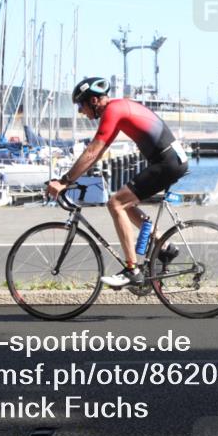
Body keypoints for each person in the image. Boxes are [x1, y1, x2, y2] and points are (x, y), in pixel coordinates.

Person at [46, 77, 188, 288]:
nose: (80, 111)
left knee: (115, 203)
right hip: (170, 159)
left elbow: (93, 150)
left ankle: (132, 270)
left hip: (167, 162)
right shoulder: (118, 109)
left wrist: (65, 181)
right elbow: (98, 151)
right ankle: (164, 246)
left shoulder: (114, 110)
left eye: (81, 105)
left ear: (93, 101)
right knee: (125, 203)